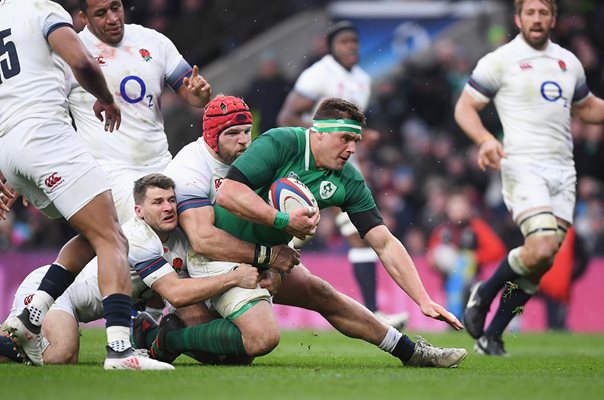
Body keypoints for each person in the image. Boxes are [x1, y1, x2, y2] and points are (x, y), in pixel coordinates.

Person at [163, 95, 466, 368]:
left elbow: (384, 243)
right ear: (318, 132)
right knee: (260, 340)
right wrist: (282, 222)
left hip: (268, 259)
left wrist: (423, 299)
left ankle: (412, 352)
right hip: (222, 254)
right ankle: (168, 338)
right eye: (345, 138)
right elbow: (229, 193)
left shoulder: (349, 179)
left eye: (356, 141)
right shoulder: (280, 143)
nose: (351, 149)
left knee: (322, 294)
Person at [0, 0, 172, 370]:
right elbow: (81, 62)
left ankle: (30, 320)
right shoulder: (42, 9)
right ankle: (120, 351)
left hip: (10, 147)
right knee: (114, 238)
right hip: (45, 136)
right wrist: (106, 99)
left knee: (97, 230)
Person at [454, 0, 604, 355]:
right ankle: (485, 292)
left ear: (553, 18)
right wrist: (485, 139)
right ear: (518, 18)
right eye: (530, 13)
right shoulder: (500, 61)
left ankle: (493, 336)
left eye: (543, 13)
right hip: (523, 166)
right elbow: (465, 107)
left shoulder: (569, 62)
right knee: (540, 247)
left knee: (542, 261)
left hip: (563, 172)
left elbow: (586, 108)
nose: (537, 19)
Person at [0, 173, 259, 364]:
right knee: (62, 356)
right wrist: (234, 278)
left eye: (171, 200)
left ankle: (144, 333)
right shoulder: (137, 236)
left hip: (82, 307)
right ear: (139, 211)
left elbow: (183, 295)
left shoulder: (181, 238)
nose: (168, 207)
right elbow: (177, 293)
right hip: (56, 292)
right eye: (157, 202)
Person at [277, 21, 408, 329]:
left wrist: (363, 135)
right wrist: (324, 139)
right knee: (298, 230)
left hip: (344, 167)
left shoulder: (362, 79)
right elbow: (287, 116)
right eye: (345, 41)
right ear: (331, 46)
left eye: (355, 41)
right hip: (311, 164)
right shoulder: (318, 75)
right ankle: (255, 285)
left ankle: (374, 312)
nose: (351, 46)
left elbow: (351, 127)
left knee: (358, 234)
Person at [65, 0, 212, 222]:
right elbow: (46, 112)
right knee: (148, 232)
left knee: (199, 224)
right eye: (102, 13)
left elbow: (192, 93)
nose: (113, 18)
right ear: (84, 18)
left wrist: (200, 94)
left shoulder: (153, 41)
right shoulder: (71, 53)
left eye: (116, 7)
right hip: (110, 172)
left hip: (162, 164)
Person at [427, 190, 506, 320]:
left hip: (472, 279)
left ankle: (457, 313)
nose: (458, 212)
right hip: (450, 278)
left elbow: (497, 249)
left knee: (462, 270)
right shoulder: (442, 230)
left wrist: (474, 257)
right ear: (448, 210)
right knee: (446, 255)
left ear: (468, 209)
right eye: (455, 208)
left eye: (461, 208)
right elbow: (431, 256)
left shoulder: (477, 227)